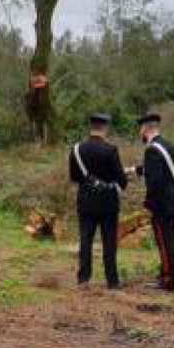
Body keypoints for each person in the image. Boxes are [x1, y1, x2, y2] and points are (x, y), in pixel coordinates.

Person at [69, 113, 128, 289]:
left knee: (85, 240)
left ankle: (83, 279)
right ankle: (112, 281)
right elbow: (121, 180)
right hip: (108, 203)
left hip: (86, 201)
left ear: (90, 127)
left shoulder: (77, 149)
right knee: (109, 242)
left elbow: (74, 177)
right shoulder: (111, 150)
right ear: (105, 128)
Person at [134, 113, 174, 292]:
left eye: (140, 129)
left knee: (163, 242)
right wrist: (135, 170)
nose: (140, 133)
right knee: (169, 239)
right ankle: (170, 273)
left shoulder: (151, 150)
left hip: (162, 203)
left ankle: (168, 280)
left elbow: (154, 182)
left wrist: (148, 204)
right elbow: (165, 171)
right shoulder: (169, 145)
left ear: (145, 129)